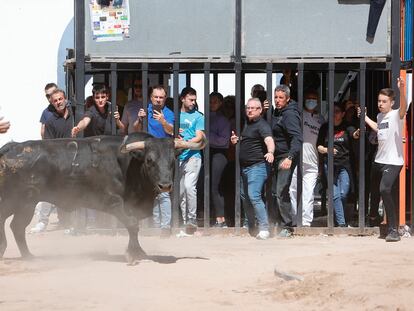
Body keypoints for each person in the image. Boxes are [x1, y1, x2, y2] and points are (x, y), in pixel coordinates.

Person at [363, 78, 406, 242]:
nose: (380, 104)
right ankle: (373, 216)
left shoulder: (396, 115)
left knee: (385, 189)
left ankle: (393, 229)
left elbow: (403, 108)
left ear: (391, 102)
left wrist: (402, 89)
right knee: (374, 191)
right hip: (379, 160)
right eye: (379, 101)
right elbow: (378, 127)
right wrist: (366, 118)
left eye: (384, 101)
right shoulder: (380, 116)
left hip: (393, 161)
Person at [30, 88, 74, 233]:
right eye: (55, 100)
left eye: (60, 99)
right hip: (57, 162)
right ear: (52, 103)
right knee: (48, 191)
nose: (58, 102)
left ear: (65, 99)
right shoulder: (50, 122)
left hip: (75, 160)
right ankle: (42, 222)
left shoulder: (75, 114)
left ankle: (68, 223)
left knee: (69, 192)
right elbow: (48, 146)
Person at [231, 98, 275, 240]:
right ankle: (251, 226)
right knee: (246, 197)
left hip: (258, 167)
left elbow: (269, 139)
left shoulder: (262, 125)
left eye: (253, 108)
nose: (250, 110)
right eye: (248, 108)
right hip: (245, 168)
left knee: (254, 196)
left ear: (260, 110)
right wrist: (236, 141)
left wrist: (270, 152)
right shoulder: (247, 124)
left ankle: (264, 229)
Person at [134, 86, 174, 236]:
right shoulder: (145, 111)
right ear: (151, 98)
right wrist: (139, 119)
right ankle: (155, 226)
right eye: (155, 97)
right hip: (149, 158)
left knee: (163, 191)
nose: (158, 100)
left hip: (163, 157)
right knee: (150, 191)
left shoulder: (169, 113)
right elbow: (135, 130)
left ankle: (165, 227)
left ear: (165, 98)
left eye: (161, 97)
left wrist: (163, 122)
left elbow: (171, 131)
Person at [317, 102, 359, 227]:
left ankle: (336, 218)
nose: (334, 114)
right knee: (335, 195)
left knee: (343, 194)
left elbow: (354, 135)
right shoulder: (325, 127)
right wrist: (327, 150)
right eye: (332, 111)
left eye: (337, 111)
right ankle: (342, 224)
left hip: (344, 165)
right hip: (329, 165)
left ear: (343, 114)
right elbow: (318, 146)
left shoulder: (347, 127)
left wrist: (358, 132)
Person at [289, 89, 325, 227]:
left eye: (314, 98)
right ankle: (294, 219)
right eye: (308, 98)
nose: (311, 101)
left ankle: (306, 222)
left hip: (313, 161)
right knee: (293, 190)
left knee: (308, 193)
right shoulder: (299, 115)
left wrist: (321, 164)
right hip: (297, 160)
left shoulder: (321, 119)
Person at [271, 85, 302, 237]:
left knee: (281, 190)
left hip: (285, 157)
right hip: (276, 157)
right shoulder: (278, 112)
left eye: (280, 98)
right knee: (275, 191)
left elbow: (297, 138)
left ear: (288, 99)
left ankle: (287, 227)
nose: (277, 100)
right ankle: (278, 222)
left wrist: (290, 157)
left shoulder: (289, 114)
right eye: (275, 97)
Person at [178, 86, 205, 233]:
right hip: (178, 156)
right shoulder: (176, 116)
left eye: (194, 100)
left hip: (193, 156)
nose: (193, 102)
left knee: (189, 187)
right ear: (183, 99)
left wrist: (185, 143)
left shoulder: (199, 116)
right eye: (190, 99)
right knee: (181, 191)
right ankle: (184, 220)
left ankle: (191, 219)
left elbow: (199, 136)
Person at [209, 92, 231, 227]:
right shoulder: (206, 117)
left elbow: (224, 141)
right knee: (207, 186)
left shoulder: (223, 120)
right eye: (210, 101)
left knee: (215, 188)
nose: (212, 104)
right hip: (208, 154)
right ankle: (213, 217)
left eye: (215, 101)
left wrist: (206, 136)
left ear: (221, 103)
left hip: (219, 155)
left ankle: (221, 219)